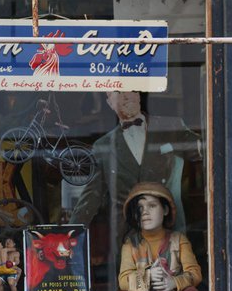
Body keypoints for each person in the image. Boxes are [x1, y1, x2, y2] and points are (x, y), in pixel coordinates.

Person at [70, 91, 183, 238]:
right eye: (117, 93)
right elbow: (92, 195)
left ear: (139, 96)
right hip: (126, 236)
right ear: (109, 102)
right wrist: (68, 234)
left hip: (167, 232)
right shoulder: (103, 145)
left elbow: (203, 151)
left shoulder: (171, 127)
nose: (127, 95)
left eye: (132, 90)